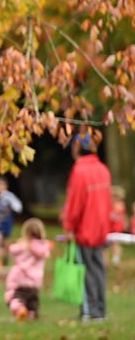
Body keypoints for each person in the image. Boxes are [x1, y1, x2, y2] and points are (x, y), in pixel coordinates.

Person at [62, 132, 112, 321]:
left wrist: (69, 226)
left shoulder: (80, 170)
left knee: (85, 270)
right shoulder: (102, 169)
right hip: (100, 228)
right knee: (98, 269)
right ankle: (100, 309)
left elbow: (76, 202)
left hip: (85, 229)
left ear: (76, 148)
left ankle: (90, 311)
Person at [4, 218, 51, 321]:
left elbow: (12, 249)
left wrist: (20, 243)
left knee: (14, 298)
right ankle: (32, 313)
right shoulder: (43, 247)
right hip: (35, 283)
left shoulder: (23, 246)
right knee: (33, 301)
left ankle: (20, 309)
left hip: (21, 280)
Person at [0, 177, 24, 269]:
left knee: (5, 242)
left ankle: (6, 259)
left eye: (1, 185)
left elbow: (18, 207)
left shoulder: (9, 196)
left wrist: (11, 207)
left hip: (6, 223)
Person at [108, 186, 127, 266]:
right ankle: (107, 260)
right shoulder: (109, 205)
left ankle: (116, 258)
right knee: (107, 244)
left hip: (117, 228)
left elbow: (123, 216)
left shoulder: (120, 205)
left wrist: (124, 224)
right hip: (110, 228)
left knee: (115, 243)